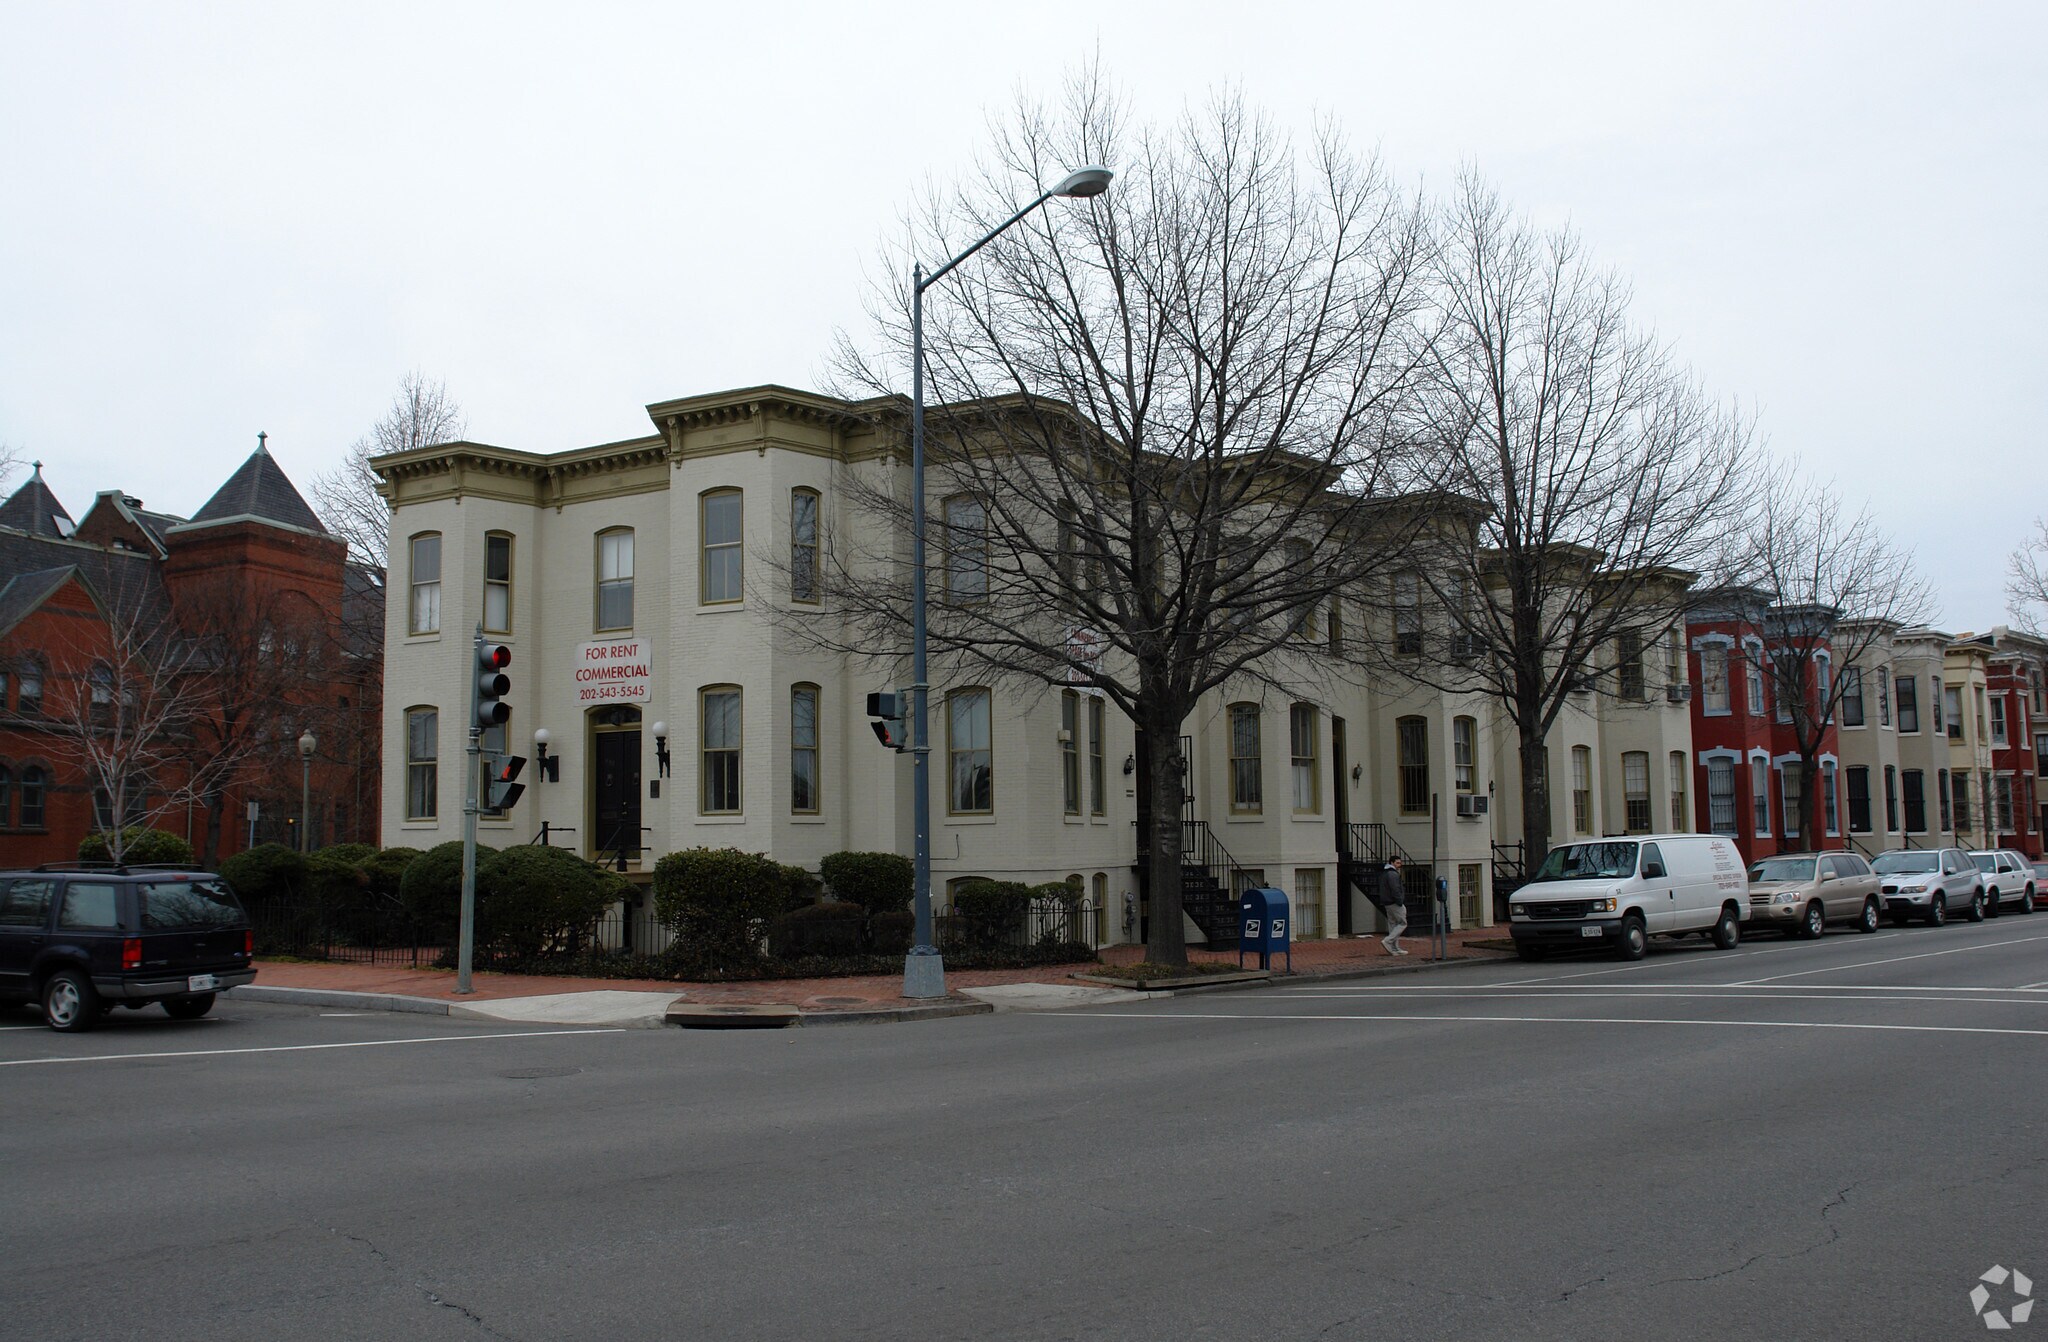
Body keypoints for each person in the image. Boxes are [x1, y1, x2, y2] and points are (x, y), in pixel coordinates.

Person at [1378, 856, 1409, 955]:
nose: (1399, 865)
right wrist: (1399, 900)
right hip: (1394, 902)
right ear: (1392, 862)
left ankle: (1394, 947)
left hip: (1387, 902)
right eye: (1397, 863)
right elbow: (1395, 889)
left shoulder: (1385, 873)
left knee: (1393, 924)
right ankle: (1388, 941)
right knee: (1402, 923)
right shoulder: (1392, 874)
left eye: (1400, 863)